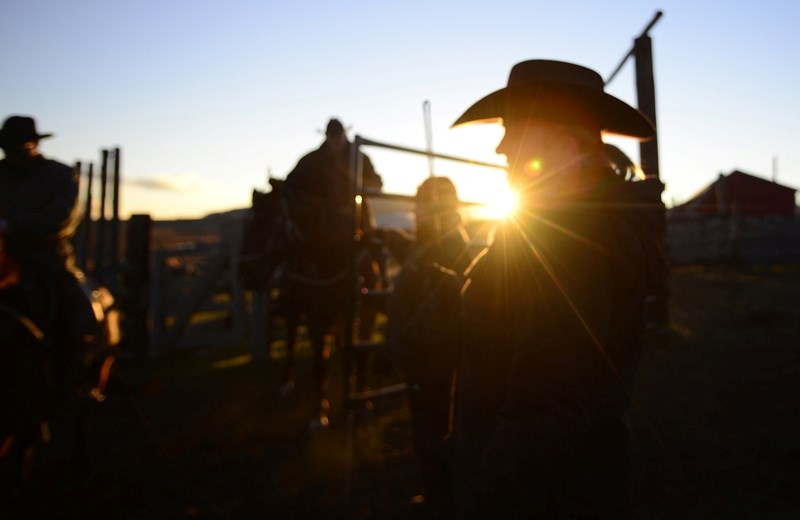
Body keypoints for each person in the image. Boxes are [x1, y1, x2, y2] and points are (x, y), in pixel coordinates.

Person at [449, 60, 664, 518]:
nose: (501, 144)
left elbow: (543, 408)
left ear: (564, 139)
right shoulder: (559, 227)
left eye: (515, 128)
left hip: (547, 495)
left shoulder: (573, 242)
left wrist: (481, 502)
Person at [0, 115, 97, 444]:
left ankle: (73, 387)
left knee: (79, 315)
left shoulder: (59, 174)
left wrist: (12, 226)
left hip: (45, 260)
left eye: (17, 147)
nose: (11, 154)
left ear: (34, 144)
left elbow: (62, 217)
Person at [385, 176, 472, 514]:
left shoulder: (454, 247)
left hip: (438, 359)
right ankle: (434, 489)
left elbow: (445, 305)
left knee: (440, 433)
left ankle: (442, 498)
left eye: (426, 205)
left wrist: (396, 346)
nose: (420, 211)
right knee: (425, 431)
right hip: (419, 357)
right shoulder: (426, 244)